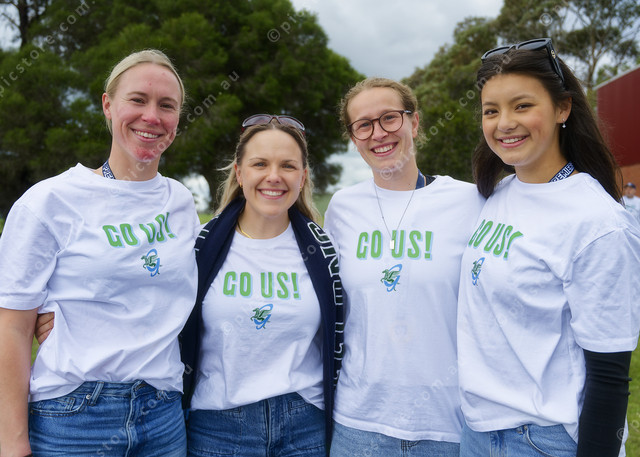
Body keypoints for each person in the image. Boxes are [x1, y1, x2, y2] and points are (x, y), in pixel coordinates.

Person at [0, 49, 199, 457]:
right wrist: (12, 442)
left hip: (163, 415)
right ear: (108, 105)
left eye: (167, 105)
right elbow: (12, 328)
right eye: (137, 100)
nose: (152, 116)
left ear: (178, 119)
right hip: (74, 417)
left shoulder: (180, 202)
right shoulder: (50, 201)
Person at [457, 38, 640, 457]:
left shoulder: (598, 223)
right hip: (478, 431)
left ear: (563, 108)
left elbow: (610, 375)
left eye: (522, 106)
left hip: (541, 440)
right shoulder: (500, 193)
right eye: (491, 111)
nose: (504, 123)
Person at [323, 77, 485, 456]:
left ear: (414, 122)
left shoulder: (469, 202)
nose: (378, 133)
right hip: (358, 425)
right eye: (363, 125)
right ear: (353, 138)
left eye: (389, 118)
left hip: (447, 426)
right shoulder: (342, 208)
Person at [179, 114, 343, 456]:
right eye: (260, 164)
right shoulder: (200, 246)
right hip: (217, 427)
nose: (274, 176)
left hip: (305, 426)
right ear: (239, 173)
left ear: (303, 177)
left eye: (288, 166)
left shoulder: (324, 251)